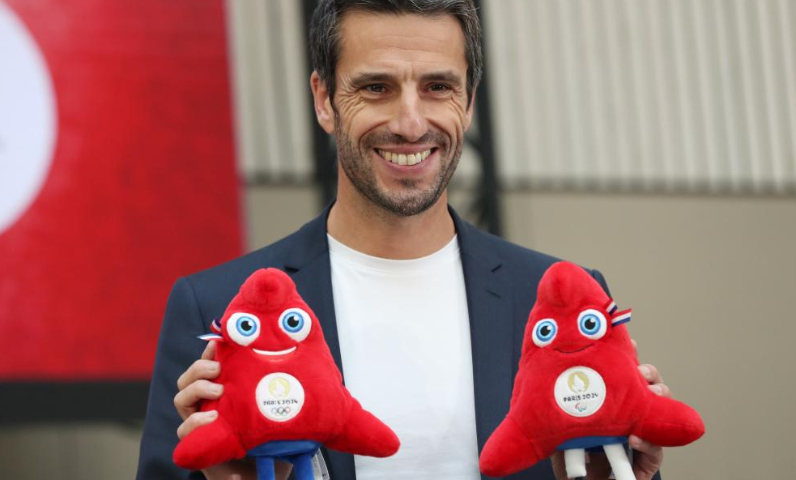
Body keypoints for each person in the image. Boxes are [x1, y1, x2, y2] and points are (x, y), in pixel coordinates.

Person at [137, 1, 673, 479]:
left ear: (468, 102)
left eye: (438, 87)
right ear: (324, 99)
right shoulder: (214, 307)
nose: (411, 124)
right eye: (377, 88)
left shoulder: (559, 301)